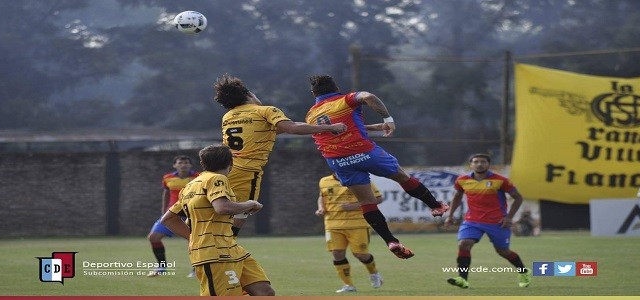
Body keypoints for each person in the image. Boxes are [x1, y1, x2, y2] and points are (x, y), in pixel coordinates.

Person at [305, 74, 450, 259]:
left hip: (338, 160)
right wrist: (388, 119)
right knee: (402, 177)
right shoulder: (345, 99)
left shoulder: (311, 114)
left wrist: (376, 127)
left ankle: (391, 241)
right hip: (364, 151)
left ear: (313, 93)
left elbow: (344, 127)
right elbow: (369, 97)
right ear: (336, 88)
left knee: (367, 202)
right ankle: (436, 206)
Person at [214, 74, 347, 236]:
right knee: (244, 210)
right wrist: (329, 127)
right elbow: (292, 128)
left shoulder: (228, 116)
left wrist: (306, 125)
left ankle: (216, 239)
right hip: (247, 170)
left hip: (225, 168)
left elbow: (266, 132)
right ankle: (227, 243)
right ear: (249, 94)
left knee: (218, 205)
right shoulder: (265, 111)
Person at [160, 144, 274, 296]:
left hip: (231, 248)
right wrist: (250, 204)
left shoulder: (190, 186)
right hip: (214, 254)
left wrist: (195, 238)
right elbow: (222, 207)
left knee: (264, 292)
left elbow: (168, 219)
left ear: (202, 164)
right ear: (231, 163)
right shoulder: (217, 179)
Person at [444, 153, 530, 288]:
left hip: (497, 222)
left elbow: (518, 197)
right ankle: (462, 279)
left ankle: (524, 271)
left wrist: (509, 217)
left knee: (503, 252)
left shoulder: (501, 180)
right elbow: (457, 196)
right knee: (464, 244)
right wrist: (450, 215)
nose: (479, 164)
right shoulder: (462, 180)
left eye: (483, 162)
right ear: (471, 165)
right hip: (472, 221)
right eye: (476, 162)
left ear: (488, 164)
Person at [315, 174, 384, 293]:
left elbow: (378, 198)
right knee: (337, 254)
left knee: (360, 254)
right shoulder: (324, 181)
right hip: (332, 224)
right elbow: (322, 196)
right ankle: (348, 285)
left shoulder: (360, 178)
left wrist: (354, 206)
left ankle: (374, 273)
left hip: (357, 224)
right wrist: (321, 208)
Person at [146, 155, 200, 277]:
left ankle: (197, 269)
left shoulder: (198, 177)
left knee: (194, 241)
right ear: (175, 165)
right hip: (172, 213)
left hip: (191, 213)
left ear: (190, 165)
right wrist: (164, 210)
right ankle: (161, 267)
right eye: (180, 163)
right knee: (153, 237)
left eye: (186, 163)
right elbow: (166, 193)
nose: (183, 165)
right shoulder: (168, 178)